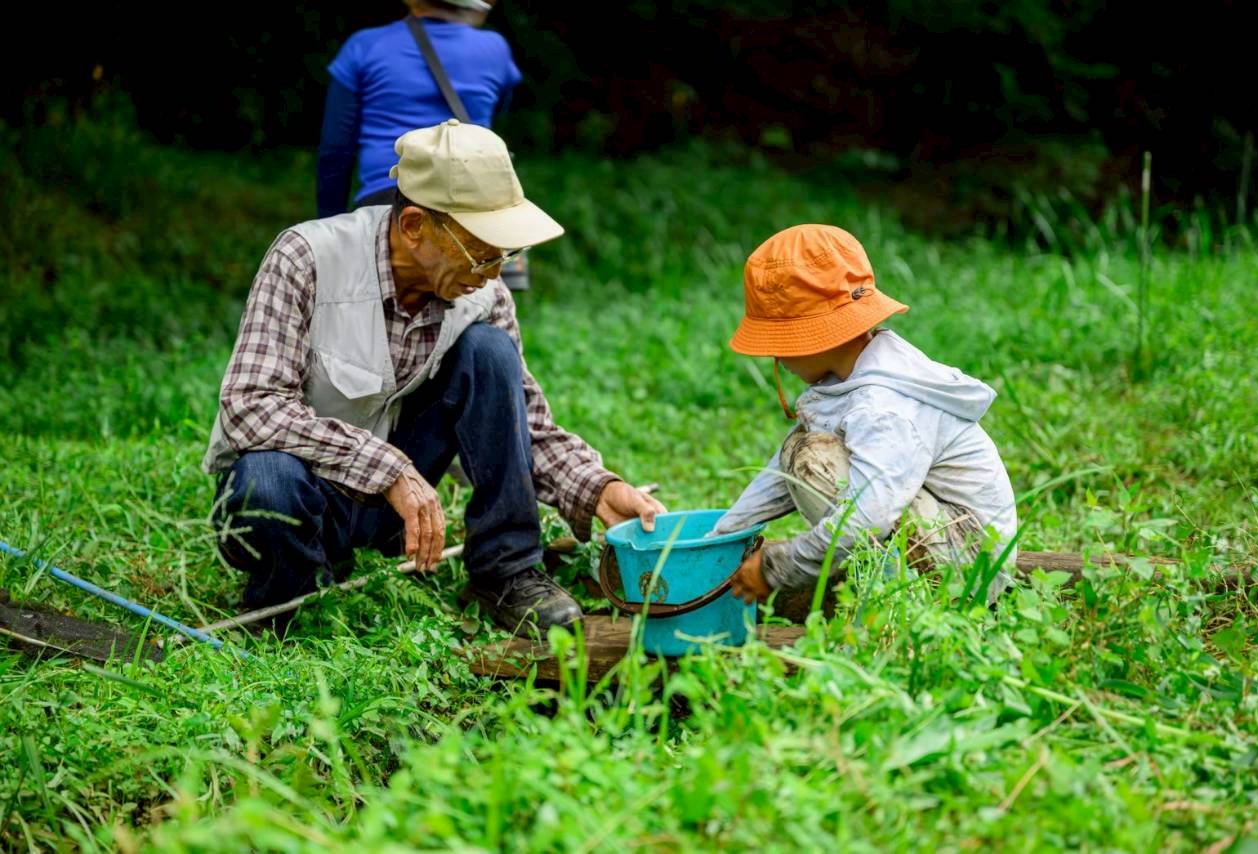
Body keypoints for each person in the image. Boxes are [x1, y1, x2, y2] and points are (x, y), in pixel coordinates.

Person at [205, 119, 664, 632]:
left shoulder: (484, 296)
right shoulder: (306, 258)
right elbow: (251, 405)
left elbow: (524, 425)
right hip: (306, 490)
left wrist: (598, 490)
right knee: (265, 482)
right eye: (481, 250)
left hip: (391, 505)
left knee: (488, 353)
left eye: (504, 254)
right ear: (415, 226)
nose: (493, 272)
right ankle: (288, 593)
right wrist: (389, 469)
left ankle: (506, 571)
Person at [712, 224, 1018, 611]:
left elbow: (867, 518)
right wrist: (719, 535)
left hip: (970, 568)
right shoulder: (853, 375)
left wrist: (777, 568)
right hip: (932, 530)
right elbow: (780, 476)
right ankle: (881, 579)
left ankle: (905, 604)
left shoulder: (884, 407)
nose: (778, 359)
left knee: (813, 459)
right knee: (799, 446)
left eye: (782, 342)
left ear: (819, 336)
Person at [316, 0, 521, 217]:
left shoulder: (366, 46)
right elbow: (499, 114)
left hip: (386, 201)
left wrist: (330, 222)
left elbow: (335, 149)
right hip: (472, 203)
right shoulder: (496, 48)